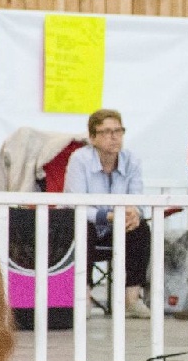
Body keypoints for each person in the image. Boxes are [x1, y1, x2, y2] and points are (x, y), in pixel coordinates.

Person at [64, 108, 152, 319]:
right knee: (82, 229)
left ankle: (131, 299)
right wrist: (108, 216)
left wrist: (133, 213)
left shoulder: (132, 160)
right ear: (92, 138)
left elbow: (137, 198)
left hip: (117, 226)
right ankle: (83, 297)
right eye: (106, 132)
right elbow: (75, 204)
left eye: (118, 131)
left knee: (140, 229)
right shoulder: (79, 159)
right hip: (86, 225)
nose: (114, 137)